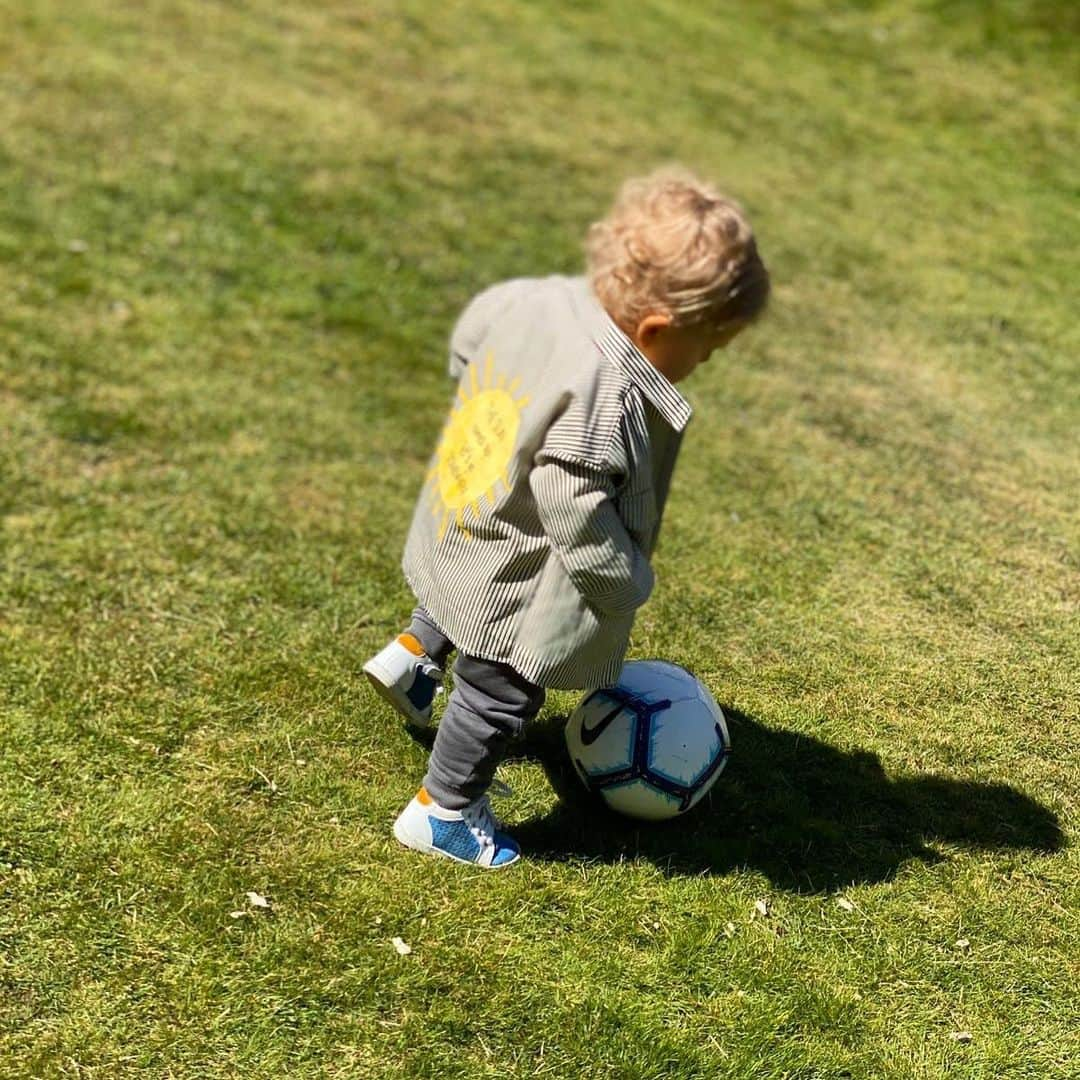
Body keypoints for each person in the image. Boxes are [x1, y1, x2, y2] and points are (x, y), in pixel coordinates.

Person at [364, 167, 770, 868]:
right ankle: (444, 811)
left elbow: (472, 331)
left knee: (463, 583)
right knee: (502, 685)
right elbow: (568, 493)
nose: (704, 362)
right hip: (527, 561)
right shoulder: (608, 395)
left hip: (477, 496)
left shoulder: (543, 299)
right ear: (655, 329)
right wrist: (620, 580)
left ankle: (414, 659)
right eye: (706, 349)